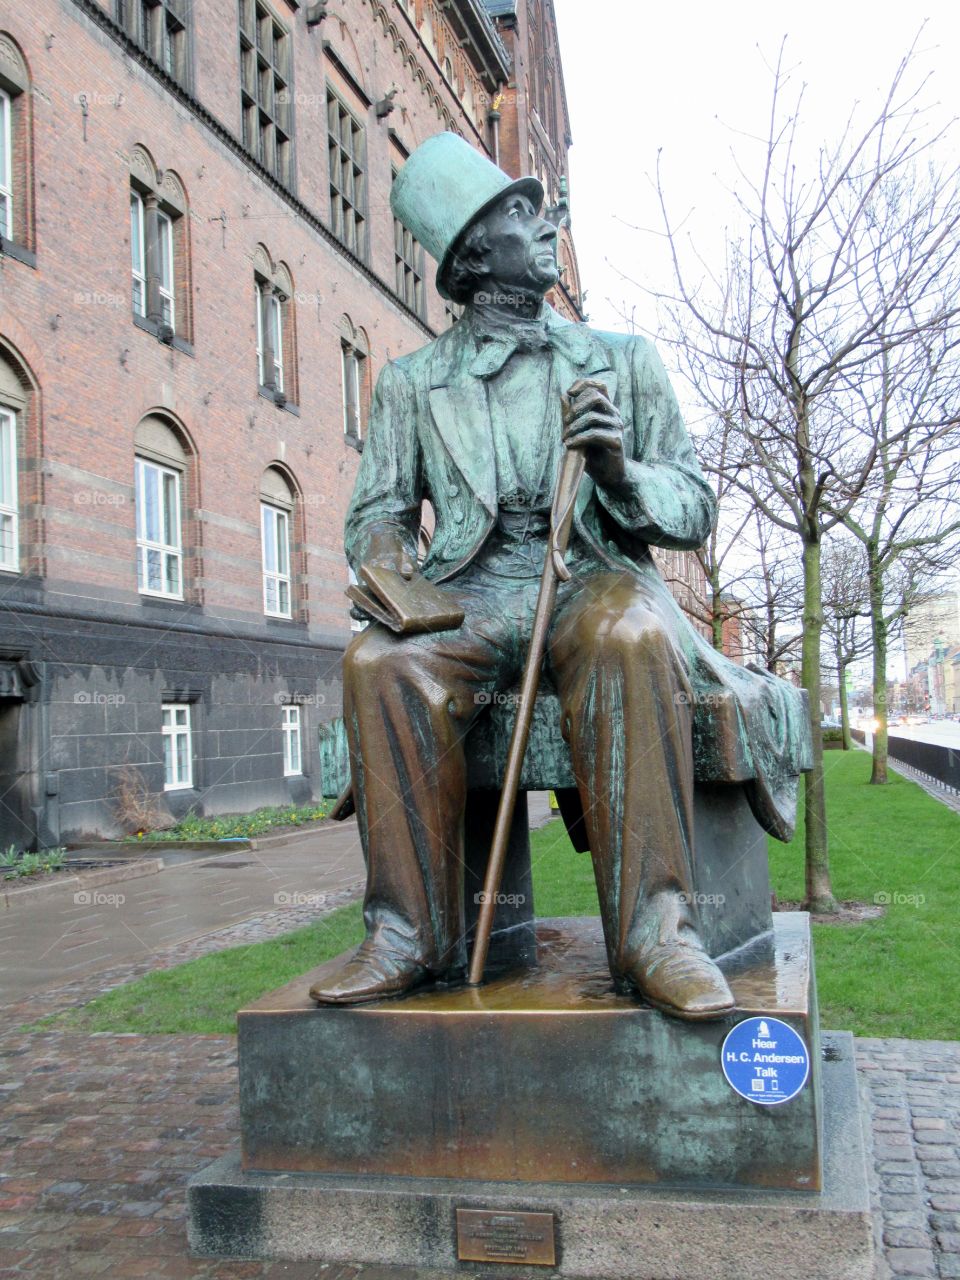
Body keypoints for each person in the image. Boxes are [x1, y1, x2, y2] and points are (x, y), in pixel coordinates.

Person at [311, 133, 808, 1019]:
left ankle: (657, 934)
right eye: (519, 212)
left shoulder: (624, 360)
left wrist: (619, 473)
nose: (547, 226)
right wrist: (391, 577)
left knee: (627, 633)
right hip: (469, 591)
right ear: (473, 251)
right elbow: (377, 514)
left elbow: (693, 507)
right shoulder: (411, 383)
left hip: (594, 576)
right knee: (378, 664)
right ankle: (406, 935)